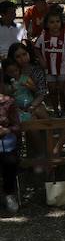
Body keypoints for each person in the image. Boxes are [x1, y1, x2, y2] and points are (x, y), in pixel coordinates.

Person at [34, 10, 65, 114]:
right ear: (47, 24)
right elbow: (36, 48)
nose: (55, 24)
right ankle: (55, 110)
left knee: (62, 91)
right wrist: (41, 59)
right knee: (52, 90)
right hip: (48, 68)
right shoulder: (43, 36)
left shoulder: (64, 36)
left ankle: (63, 109)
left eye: (57, 21)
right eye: (52, 22)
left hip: (62, 68)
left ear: (61, 23)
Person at [0, 84, 19, 214]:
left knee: (10, 161)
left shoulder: (8, 102)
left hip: (5, 143)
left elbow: (17, 126)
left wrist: (7, 130)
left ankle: (9, 194)